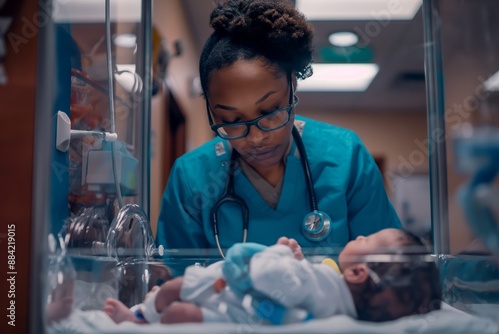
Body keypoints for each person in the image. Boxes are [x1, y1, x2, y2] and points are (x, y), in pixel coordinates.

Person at [156, 0, 401, 254]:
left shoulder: (346, 157)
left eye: (270, 112)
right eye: (232, 122)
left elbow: (385, 270)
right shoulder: (191, 177)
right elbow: (174, 282)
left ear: (293, 86)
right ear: (211, 112)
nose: (256, 138)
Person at [104, 228, 441, 324]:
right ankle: (144, 318)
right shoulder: (342, 304)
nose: (360, 236)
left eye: (367, 240)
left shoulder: (324, 282)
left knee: (172, 290)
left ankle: (135, 318)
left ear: (356, 273)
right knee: (181, 315)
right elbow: (295, 292)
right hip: (240, 312)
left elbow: (270, 275)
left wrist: (280, 254)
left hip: (234, 294)